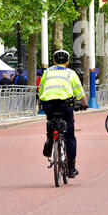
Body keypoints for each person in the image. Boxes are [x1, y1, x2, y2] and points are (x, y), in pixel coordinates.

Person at [39, 50, 88, 179]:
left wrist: (41, 102)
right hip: (65, 105)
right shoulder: (70, 73)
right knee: (70, 136)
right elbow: (79, 91)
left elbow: (41, 89)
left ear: (54, 61)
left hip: (48, 104)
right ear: (67, 62)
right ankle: (71, 168)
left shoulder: (47, 72)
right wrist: (84, 104)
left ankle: (50, 140)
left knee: (51, 122)